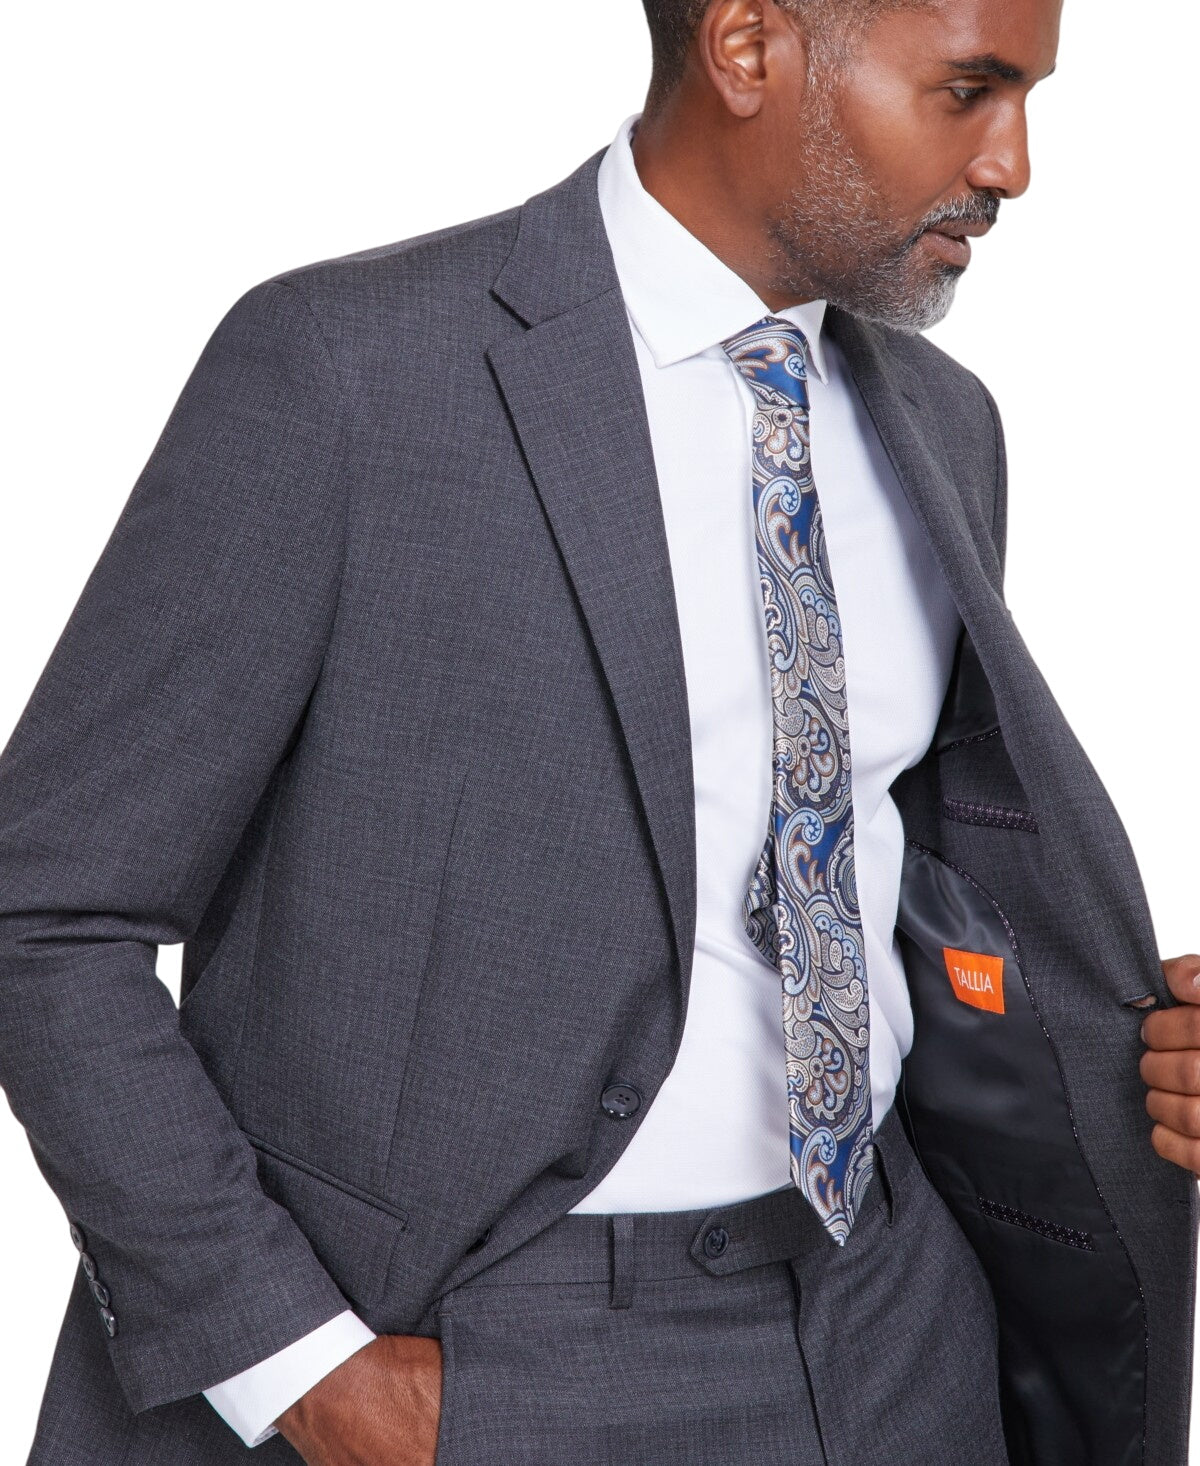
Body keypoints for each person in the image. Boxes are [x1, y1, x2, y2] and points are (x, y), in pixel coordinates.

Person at [5, 0, 1198, 1462]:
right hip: (492, 1343)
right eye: (969, 90)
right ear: (748, 48)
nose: (1012, 164)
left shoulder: (948, 426)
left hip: (899, 1323)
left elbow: (908, 883)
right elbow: (46, 911)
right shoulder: (352, 372)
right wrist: (304, 1370)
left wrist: (1134, 1042)